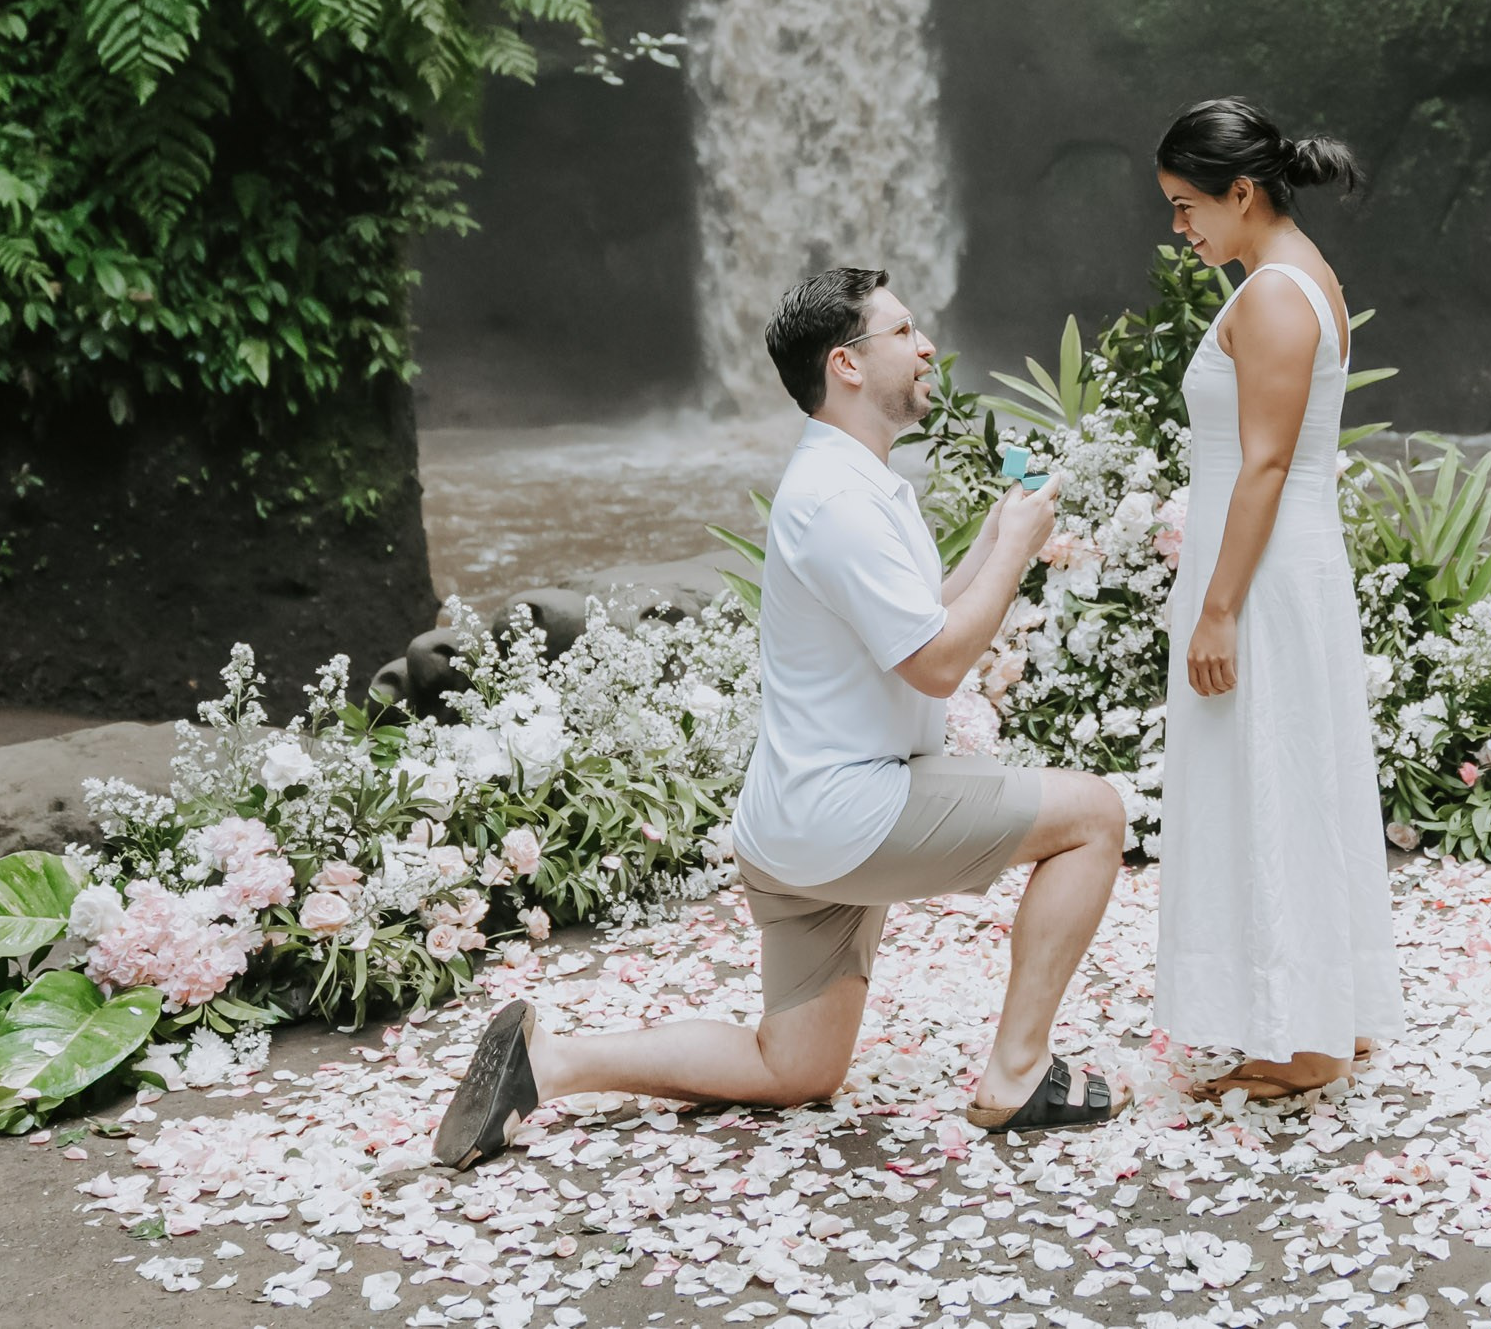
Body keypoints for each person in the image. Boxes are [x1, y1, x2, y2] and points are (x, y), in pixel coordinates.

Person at [433, 268, 1133, 1168]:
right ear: (847, 364)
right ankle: (1019, 1072)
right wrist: (1020, 551)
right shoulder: (838, 501)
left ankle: (549, 1060)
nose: (927, 347)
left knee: (796, 1065)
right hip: (852, 812)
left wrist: (1001, 539)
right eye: (905, 331)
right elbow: (938, 664)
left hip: (797, 821)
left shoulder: (851, 480)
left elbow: (920, 621)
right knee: (1095, 815)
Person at [1152, 97, 1405, 1101]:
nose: (1179, 228)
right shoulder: (1299, 273)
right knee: (1289, 770)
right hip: (1279, 562)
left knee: (1273, 775)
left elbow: (1263, 463)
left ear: (1243, 192)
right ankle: (1323, 1008)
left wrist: (1217, 608)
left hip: (1260, 574)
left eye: (1186, 205)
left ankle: (1307, 1040)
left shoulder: (1270, 295)